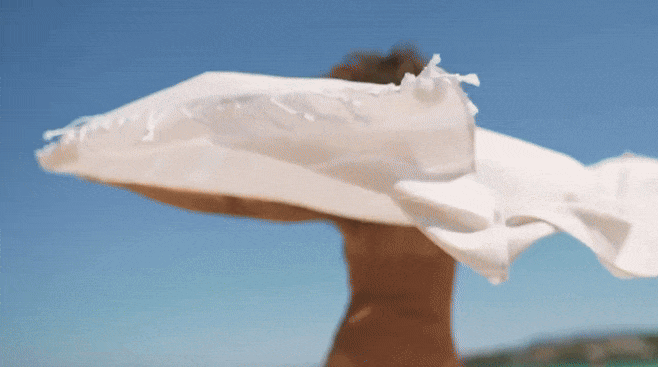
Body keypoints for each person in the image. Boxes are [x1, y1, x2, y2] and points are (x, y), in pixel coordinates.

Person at [113, 45, 463, 367]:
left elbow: (234, 201)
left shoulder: (366, 196)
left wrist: (120, 171)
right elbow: (236, 200)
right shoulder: (452, 193)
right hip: (427, 357)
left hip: (362, 355)